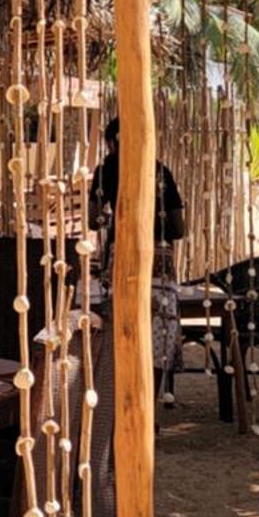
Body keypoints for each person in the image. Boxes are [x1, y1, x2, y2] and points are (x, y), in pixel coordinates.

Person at [91, 116, 186, 404]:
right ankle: (150, 406)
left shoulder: (106, 170)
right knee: (159, 333)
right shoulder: (160, 171)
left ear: (111, 142)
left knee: (122, 329)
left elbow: (92, 220)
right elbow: (179, 228)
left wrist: (116, 220)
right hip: (161, 266)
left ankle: (123, 401)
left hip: (123, 261)